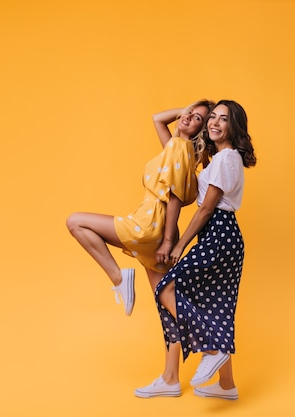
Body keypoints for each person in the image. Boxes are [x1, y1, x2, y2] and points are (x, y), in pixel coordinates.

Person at [134, 100, 257, 400]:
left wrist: (178, 243)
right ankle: (227, 386)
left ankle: (211, 348)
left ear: (234, 126)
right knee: (218, 307)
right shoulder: (217, 159)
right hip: (222, 235)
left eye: (223, 119)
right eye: (211, 117)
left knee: (166, 287)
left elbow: (205, 210)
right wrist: (186, 115)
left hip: (218, 232)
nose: (214, 123)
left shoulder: (227, 159)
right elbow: (163, 128)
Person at [66, 100, 214, 316]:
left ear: (200, 132)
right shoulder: (181, 154)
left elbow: (174, 197)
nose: (189, 117)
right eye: (189, 113)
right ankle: (211, 344)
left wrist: (166, 242)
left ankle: (119, 277)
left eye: (197, 119)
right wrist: (187, 112)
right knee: (167, 301)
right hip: (162, 229)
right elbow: (158, 119)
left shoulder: (177, 148)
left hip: (150, 225)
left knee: (75, 222)